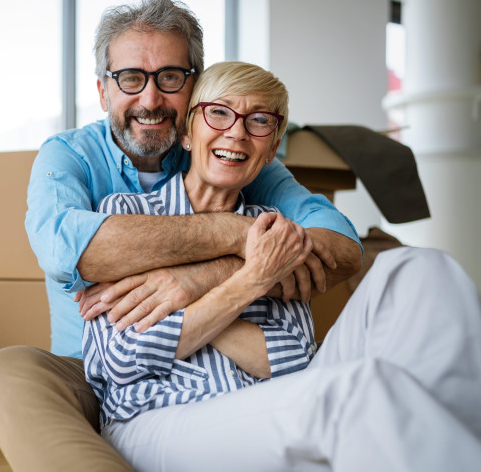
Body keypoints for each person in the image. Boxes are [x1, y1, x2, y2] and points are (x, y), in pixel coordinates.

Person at [0, 0, 362, 471]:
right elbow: (65, 252)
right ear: (103, 92)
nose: (150, 99)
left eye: (170, 77)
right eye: (131, 78)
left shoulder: (228, 151)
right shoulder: (70, 155)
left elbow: (340, 248)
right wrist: (238, 238)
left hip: (239, 384)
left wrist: (195, 280)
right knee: (3, 371)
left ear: (194, 88)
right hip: (96, 375)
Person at [84, 61, 481, 471]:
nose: (237, 132)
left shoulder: (277, 230)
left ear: (272, 150)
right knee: (354, 389)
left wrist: (186, 305)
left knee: (417, 268)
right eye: (218, 112)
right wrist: (252, 280)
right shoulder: (126, 214)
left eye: (259, 121)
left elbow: (293, 359)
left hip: (269, 406)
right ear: (187, 132)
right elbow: (124, 356)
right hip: (156, 420)